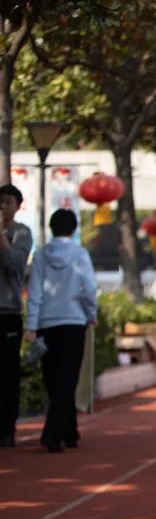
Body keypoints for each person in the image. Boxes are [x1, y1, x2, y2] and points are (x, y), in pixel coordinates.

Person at [24, 209, 96, 453]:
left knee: (53, 379)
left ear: (51, 227)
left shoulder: (41, 255)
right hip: (74, 322)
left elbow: (34, 292)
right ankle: (53, 434)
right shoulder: (80, 254)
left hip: (46, 323)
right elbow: (89, 288)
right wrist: (92, 314)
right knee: (68, 379)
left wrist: (31, 325)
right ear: (74, 229)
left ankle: (70, 432)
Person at [0, 184, 32, 447]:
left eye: (8, 202)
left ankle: (7, 429)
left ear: (18, 206)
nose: (3, 206)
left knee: (8, 373)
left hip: (8, 311)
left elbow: (14, 266)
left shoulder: (21, 233)